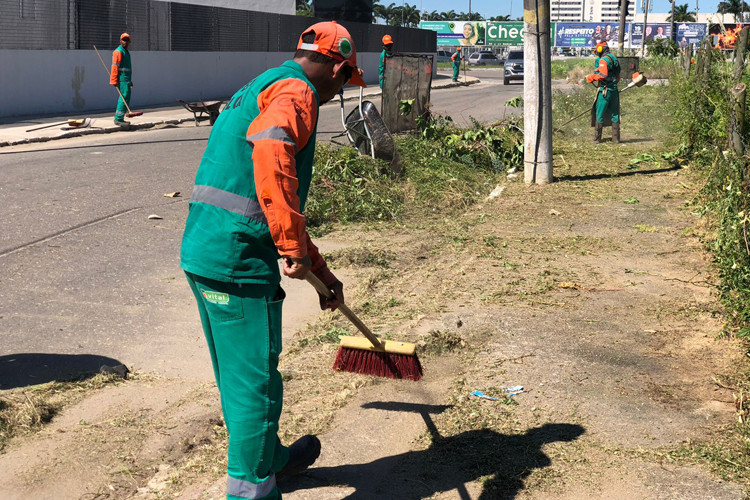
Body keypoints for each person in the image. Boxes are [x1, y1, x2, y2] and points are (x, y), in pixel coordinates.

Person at [180, 21, 365, 500]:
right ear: (337, 66)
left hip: (207, 250)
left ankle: (273, 459)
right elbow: (271, 150)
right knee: (254, 390)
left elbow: (268, 200)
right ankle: (251, 490)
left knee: (239, 377)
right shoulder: (299, 93)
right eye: (347, 80)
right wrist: (288, 247)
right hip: (238, 262)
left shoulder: (263, 83)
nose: (340, 91)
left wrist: (322, 271)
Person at [586, 41, 621, 144]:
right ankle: (616, 138)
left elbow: (602, 75)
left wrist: (591, 77)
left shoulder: (603, 60)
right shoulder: (613, 58)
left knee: (599, 113)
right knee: (615, 113)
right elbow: (618, 75)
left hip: (604, 91)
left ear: (601, 50)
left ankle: (597, 138)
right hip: (614, 90)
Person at [110, 33, 133, 125]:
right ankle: (118, 118)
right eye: (124, 40)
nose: (125, 42)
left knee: (126, 97)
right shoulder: (118, 52)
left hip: (126, 79)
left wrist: (130, 80)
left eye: (127, 40)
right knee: (123, 97)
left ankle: (120, 118)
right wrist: (114, 80)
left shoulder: (126, 52)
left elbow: (126, 68)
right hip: (122, 79)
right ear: (120, 41)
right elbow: (115, 67)